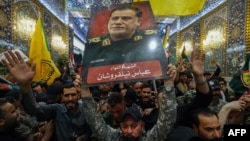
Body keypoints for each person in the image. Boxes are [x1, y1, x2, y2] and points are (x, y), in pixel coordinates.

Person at [2, 50, 92, 141]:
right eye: (66, 95)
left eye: (73, 95)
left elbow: (95, 130)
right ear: (61, 96)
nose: (70, 98)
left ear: (78, 95)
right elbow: (34, 110)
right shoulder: (57, 109)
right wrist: (25, 85)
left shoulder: (87, 110)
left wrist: (83, 138)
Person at [74, 64, 177, 141]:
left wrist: (168, 83)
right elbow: (95, 122)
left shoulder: (150, 138)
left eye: (133, 126)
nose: (129, 132)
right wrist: (84, 91)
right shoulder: (115, 138)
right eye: (125, 126)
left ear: (142, 126)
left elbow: (166, 122)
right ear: (120, 127)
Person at [82, 4, 167, 85]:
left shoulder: (150, 40)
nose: (118, 22)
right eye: (114, 18)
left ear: (138, 21)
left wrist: (169, 75)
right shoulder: (93, 45)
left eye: (126, 18)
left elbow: (159, 70)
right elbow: (88, 76)